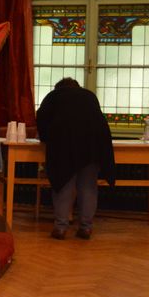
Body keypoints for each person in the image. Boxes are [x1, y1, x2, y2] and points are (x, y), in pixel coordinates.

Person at [35, 77, 115, 240]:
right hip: (93, 145)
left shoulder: (54, 96)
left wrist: (45, 139)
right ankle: (86, 227)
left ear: (58, 88)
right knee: (88, 185)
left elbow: (41, 119)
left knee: (63, 184)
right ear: (77, 87)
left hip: (64, 144)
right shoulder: (89, 95)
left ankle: (61, 227)